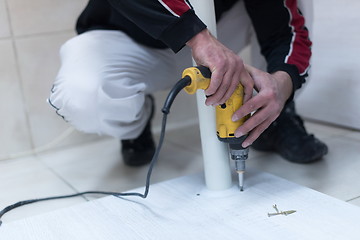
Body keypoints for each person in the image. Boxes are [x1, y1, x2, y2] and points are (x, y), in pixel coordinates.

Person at [48, 0, 327, 166]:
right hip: (129, 36)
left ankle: (270, 114)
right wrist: (196, 37)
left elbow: (287, 29)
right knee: (81, 97)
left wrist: (281, 83)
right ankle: (134, 114)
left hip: (218, 29)